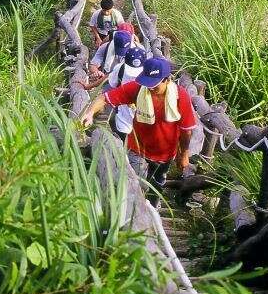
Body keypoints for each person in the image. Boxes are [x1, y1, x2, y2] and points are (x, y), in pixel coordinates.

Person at [80, 56, 196, 204]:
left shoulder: (181, 97)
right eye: (148, 84)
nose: (150, 88)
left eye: (155, 85)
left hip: (165, 153)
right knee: (135, 186)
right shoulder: (138, 89)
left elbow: (186, 130)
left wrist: (184, 154)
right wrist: (90, 113)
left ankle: (154, 207)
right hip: (137, 148)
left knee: (157, 184)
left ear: (167, 80)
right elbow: (104, 98)